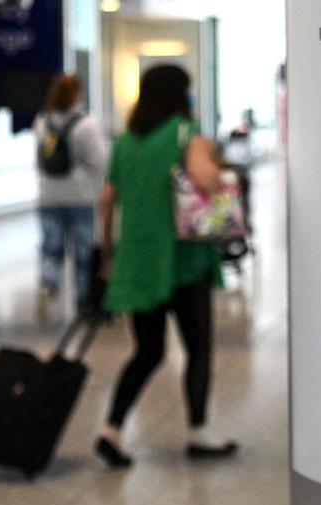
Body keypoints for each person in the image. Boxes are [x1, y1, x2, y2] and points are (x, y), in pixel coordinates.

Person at [95, 65, 237, 468]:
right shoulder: (184, 133)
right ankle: (198, 433)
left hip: (138, 262)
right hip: (183, 262)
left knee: (147, 351)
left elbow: (107, 200)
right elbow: (204, 179)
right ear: (181, 95)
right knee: (198, 349)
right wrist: (214, 160)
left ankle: (112, 429)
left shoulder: (125, 142)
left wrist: (107, 254)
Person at [33, 74, 107, 317]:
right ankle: (83, 300)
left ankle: (48, 284)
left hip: (48, 195)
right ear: (77, 94)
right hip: (81, 196)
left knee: (51, 246)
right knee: (83, 250)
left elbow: (38, 159)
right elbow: (99, 161)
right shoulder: (86, 124)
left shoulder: (42, 121)